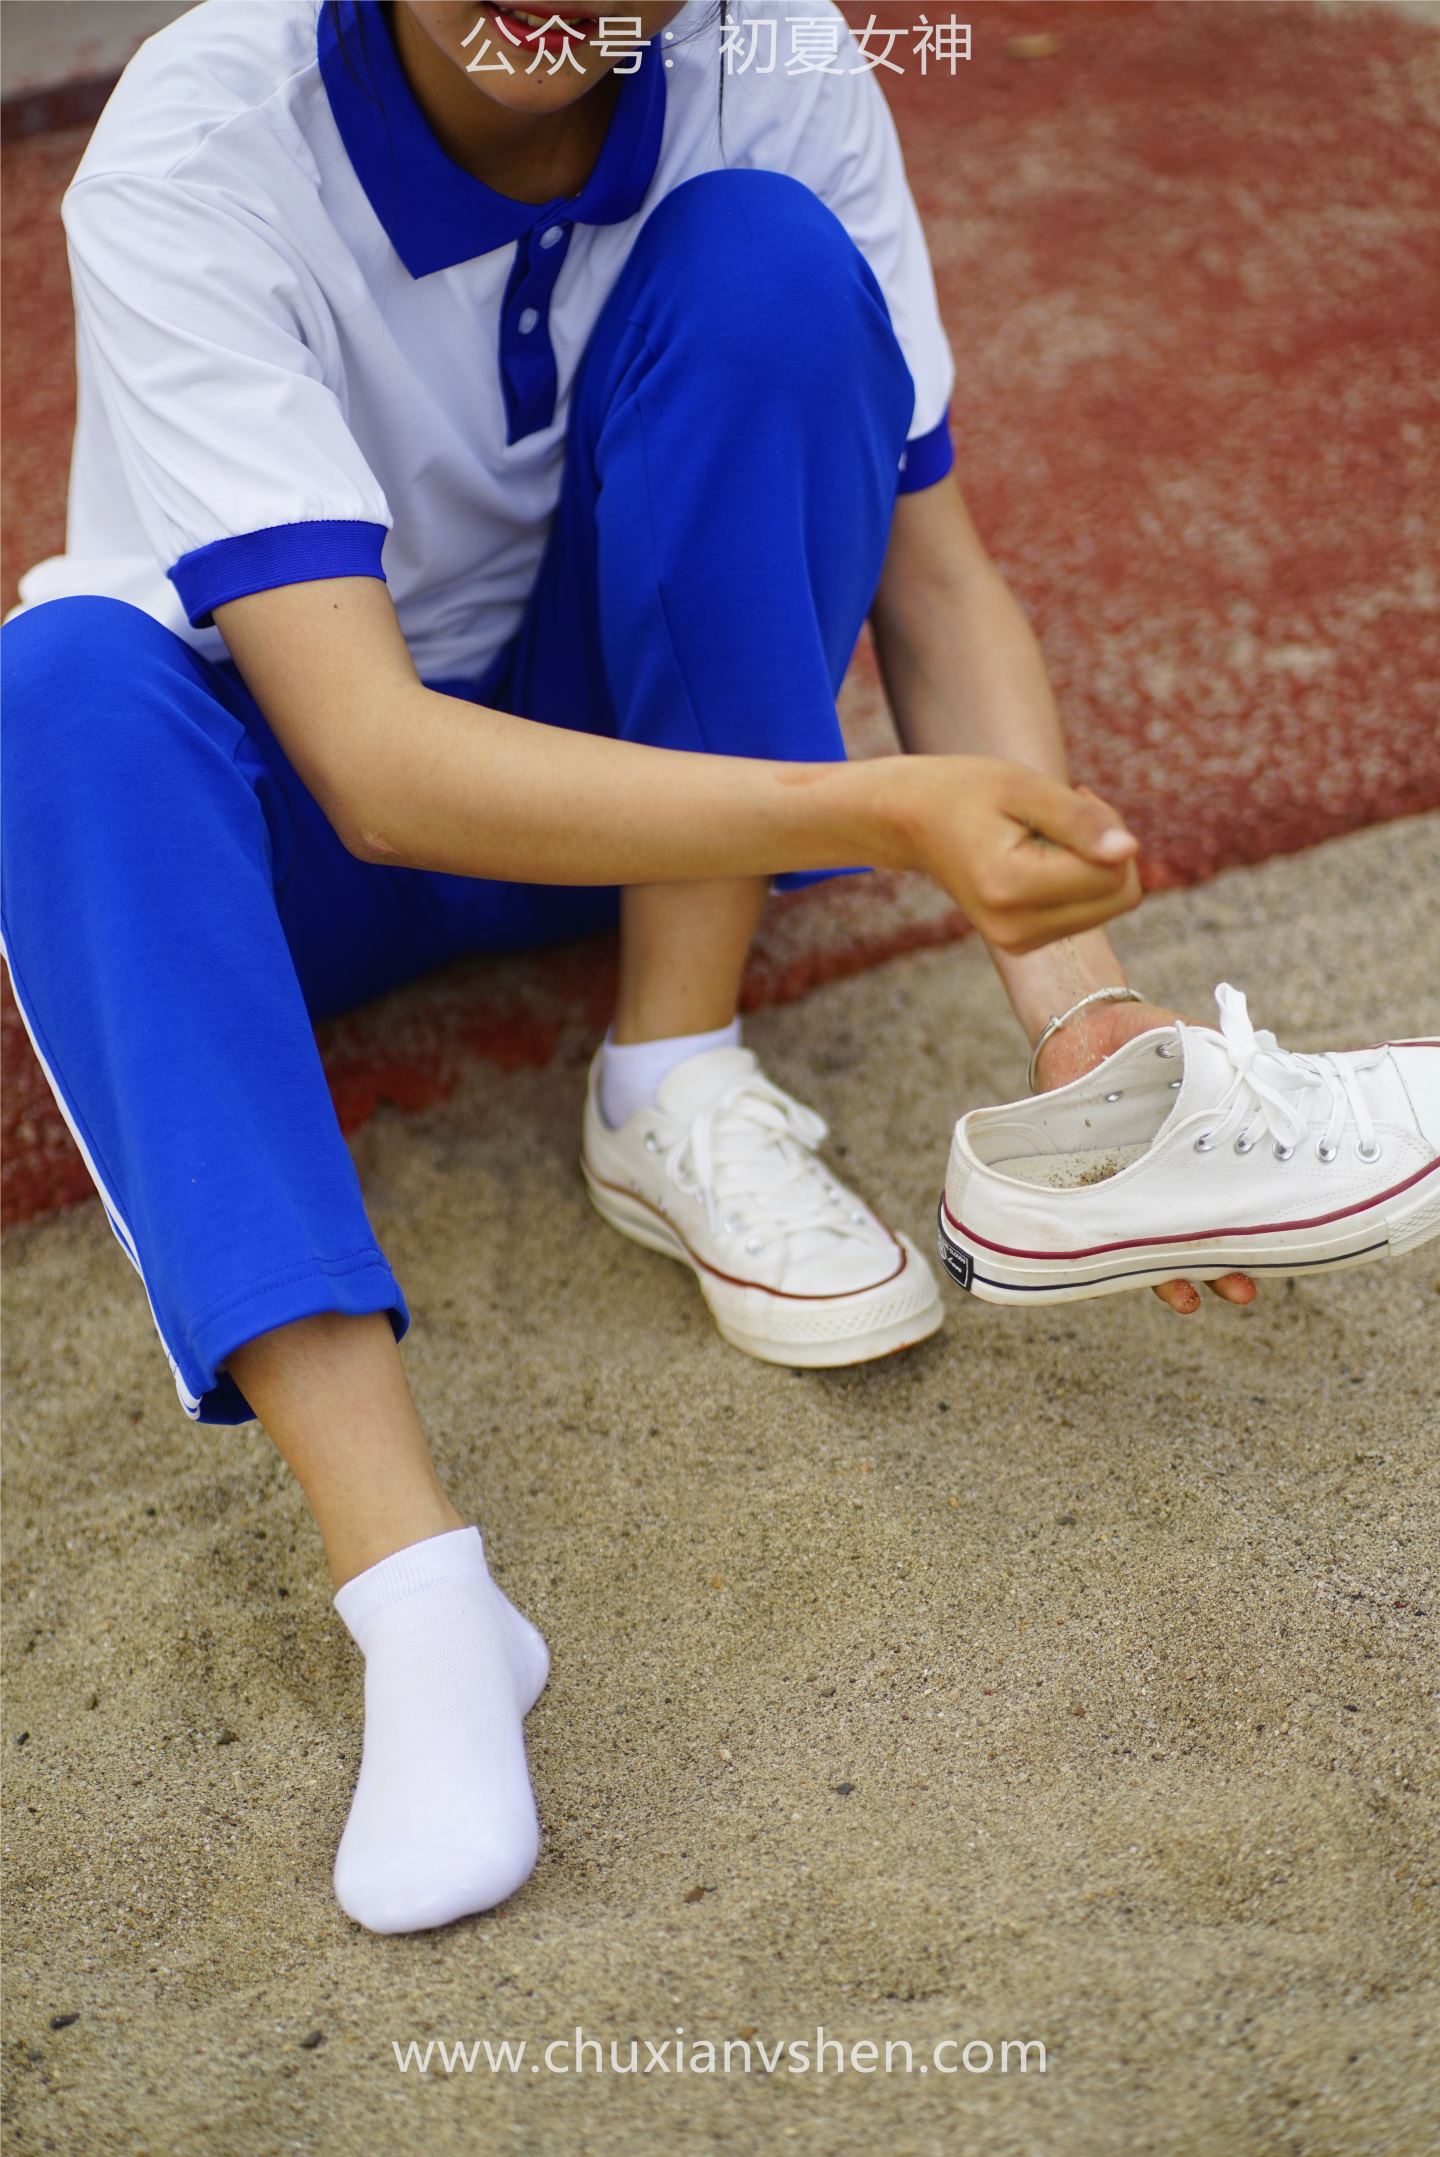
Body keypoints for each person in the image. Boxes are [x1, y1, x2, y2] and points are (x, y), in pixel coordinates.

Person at [0, 0, 1256, 1935]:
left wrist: (1088, 1013)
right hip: (304, 831)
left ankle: (675, 1063)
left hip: (629, 784)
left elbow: (935, 572)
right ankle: (422, 1597)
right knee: (57, 686)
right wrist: (883, 810)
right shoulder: (197, 142)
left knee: (767, 267)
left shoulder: (781, 57)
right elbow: (373, 767)